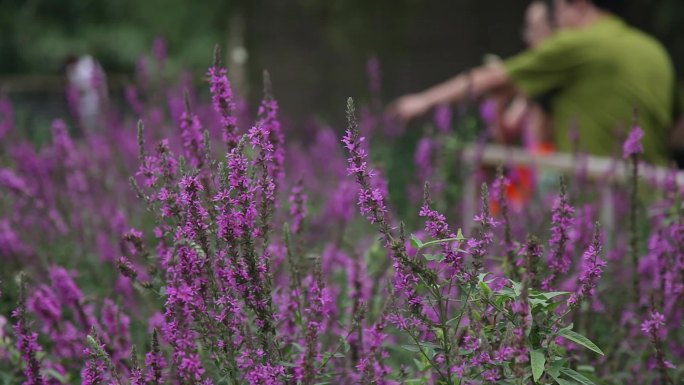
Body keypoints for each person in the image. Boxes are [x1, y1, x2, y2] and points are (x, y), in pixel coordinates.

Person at [391, 0, 675, 164]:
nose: (559, 22)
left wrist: (424, 100)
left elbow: (492, 79)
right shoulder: (653, 50)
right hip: (658, 192)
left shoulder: (579, 44)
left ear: (578, 5)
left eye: (559, 11)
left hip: (602, 192)